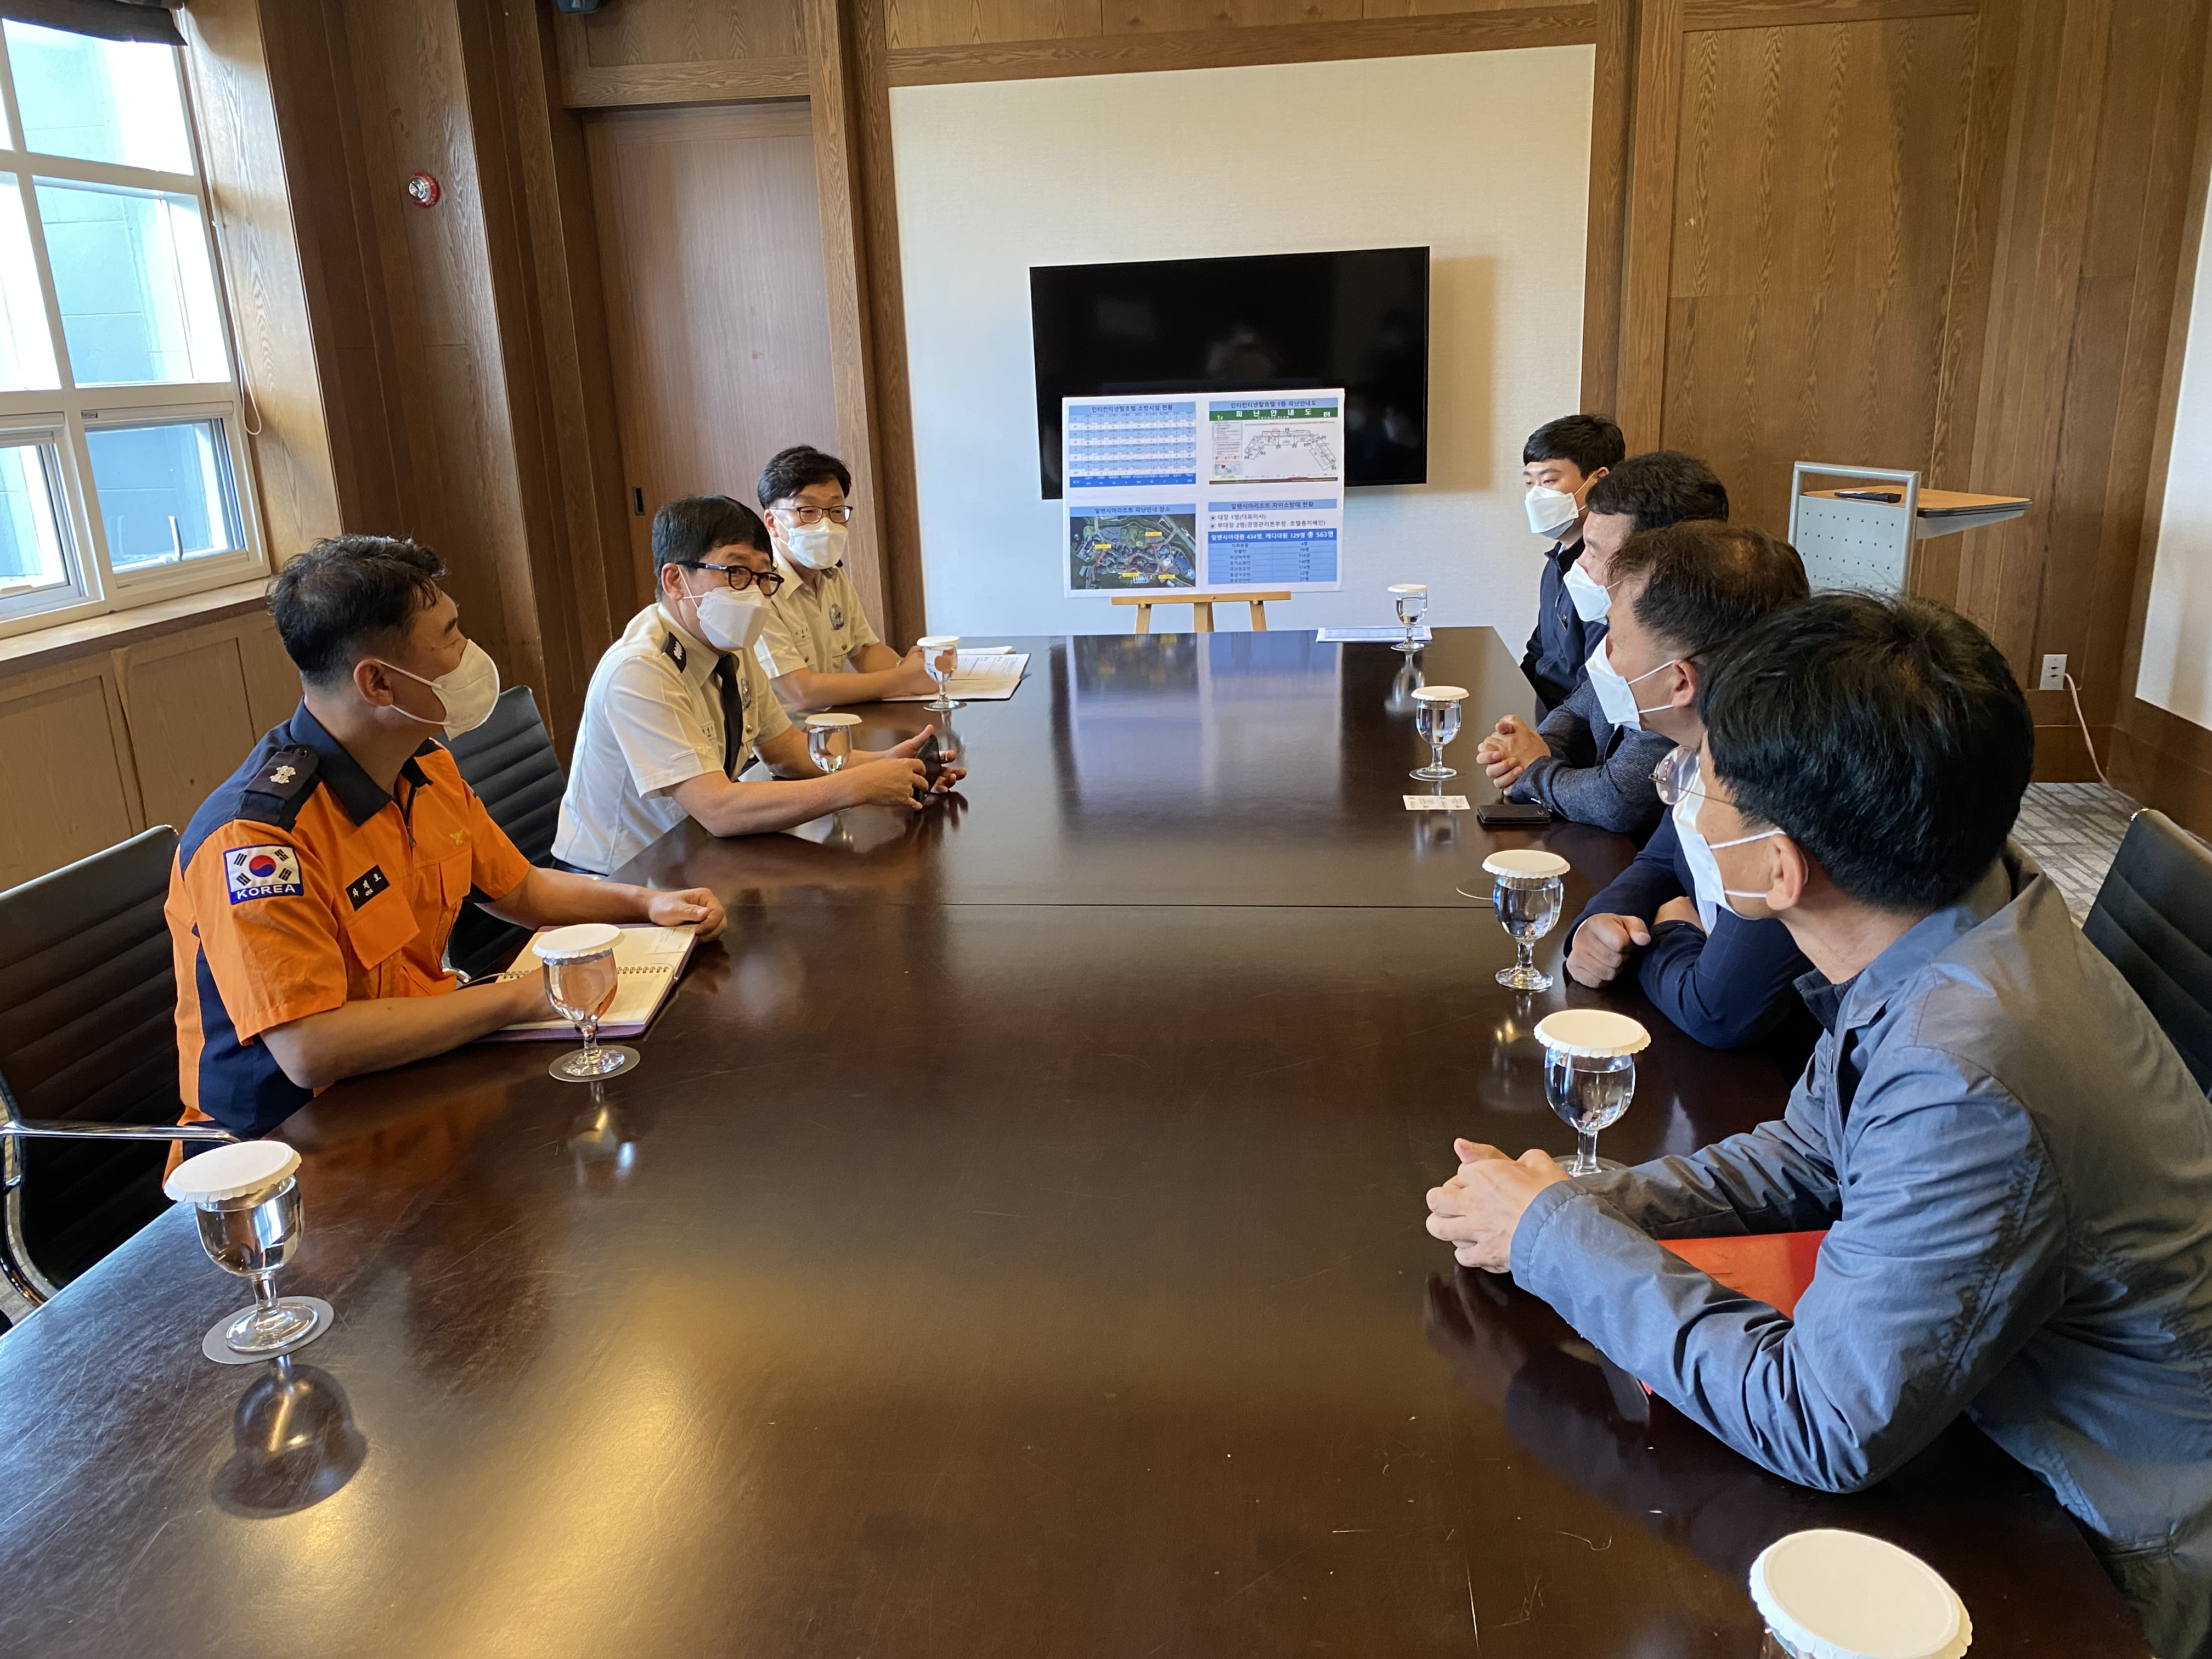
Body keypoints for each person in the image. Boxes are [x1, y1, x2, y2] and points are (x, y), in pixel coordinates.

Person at [1426, 594, 2212, 1659]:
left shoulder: (1965, 1073)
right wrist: (1572, 1201)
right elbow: (1812, 1147)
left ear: (1779, 866)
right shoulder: (1961, 913)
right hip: (1990, 1405)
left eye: (1701, 780)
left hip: (2099, 1544)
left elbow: (1822, 1419)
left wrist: (1554, 1240)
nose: (1684, 797)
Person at [168, 535, 728, 1140]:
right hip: (290, 1145)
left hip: (413, 1082)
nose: (469, 654)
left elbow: (522, 890)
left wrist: (646, 904)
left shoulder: (423, 764)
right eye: (451, 636)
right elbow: (311, 1048)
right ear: (378, 684)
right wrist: (524, 998)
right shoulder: (257, 840)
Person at [551, 495, 961, 876]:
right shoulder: (641, 669)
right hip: (619, 880)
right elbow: (719, 810)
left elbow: (786, 751)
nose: (753, 593)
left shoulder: (728, 642)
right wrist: (858, 787)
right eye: (736, 573)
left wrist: (887, 765)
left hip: (695, 858)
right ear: (675, 580)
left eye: (763, 577)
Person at [1556, 520, 1816, 1054]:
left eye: (1616, 639)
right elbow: (1659, 861)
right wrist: (1596, 926)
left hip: (1775, 1074)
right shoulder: (1706, 748)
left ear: (1680, 681)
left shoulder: (1780, 784)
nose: (1604, 655)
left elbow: (1718, 1011)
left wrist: (1668, 932)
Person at [1479, 451, 1731, 836]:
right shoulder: (1623, 622)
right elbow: (1582, 703)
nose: (1581, 565)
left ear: (1657, 563)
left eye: (1596, 552)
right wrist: (1534, 747)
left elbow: (1617, 801)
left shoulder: (1683, 646)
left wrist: (1533, 770)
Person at [752, 445, 943, 712]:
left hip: (836, 724)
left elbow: (865, 651)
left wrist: (913, 667)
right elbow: (801, 693)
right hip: (787, 734)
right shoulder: (757, 587)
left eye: (837, 511)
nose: (826, 525)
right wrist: (902, 679)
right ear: (772, 523)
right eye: (808, 511)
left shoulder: (833, 574)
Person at [1517, 414, 1625, 718]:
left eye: (1549, 481)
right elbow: (1538, 651)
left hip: (1569, 725)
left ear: (1599, 480)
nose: (1536, 495)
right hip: (1539, 711)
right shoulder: (1557, 559)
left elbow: (1593, 685)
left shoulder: (1605, 574)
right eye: (1529, 483)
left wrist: (1545, 735)